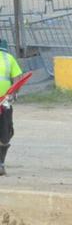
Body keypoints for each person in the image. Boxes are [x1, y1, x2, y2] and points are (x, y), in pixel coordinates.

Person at [0, 42, 22, 174]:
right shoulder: (9, 58)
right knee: (5, 134)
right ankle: (1, 163)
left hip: (3, 103)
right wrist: (13, 94)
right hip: (4, 103)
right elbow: (18, 79)